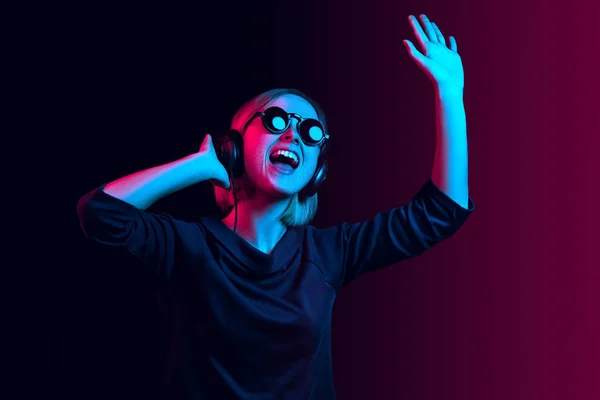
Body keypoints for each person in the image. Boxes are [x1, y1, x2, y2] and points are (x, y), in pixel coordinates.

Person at [76, 13, 474, 400]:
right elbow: (102, 213)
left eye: (309, 131)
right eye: (275, 121)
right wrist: (199, 166)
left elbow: (440, 213)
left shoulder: (329, 254)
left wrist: (450, 96)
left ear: (316, 171)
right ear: (234, 145)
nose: (293, 135)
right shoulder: (185, 245)